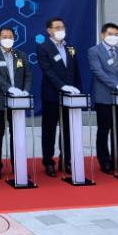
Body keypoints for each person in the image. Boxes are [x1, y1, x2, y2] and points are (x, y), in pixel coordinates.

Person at [36, 17, 82, 177]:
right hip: (52, 95)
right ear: (49, 30)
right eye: (57, 27)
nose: (60, 30)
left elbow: (75, 70)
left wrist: (78, 90)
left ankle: (66, 160)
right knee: (49, 130)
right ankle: (48, 162)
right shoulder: (43, 47)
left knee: (68, 130)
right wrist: (62, 86)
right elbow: (47, 71)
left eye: (62, 27)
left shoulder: (70, 47)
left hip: (71, 96)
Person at [0, 27, 32, 179]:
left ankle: (17, 165)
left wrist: (25, 91)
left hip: (18, 101)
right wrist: (10, 89)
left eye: (10, 36)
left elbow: (28, 76)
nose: (8, 39)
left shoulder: (21, 55)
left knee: (17, 134)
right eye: (4, 36)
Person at [87, 22, 118, 174]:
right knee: (104, 130)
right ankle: (104, 160)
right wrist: (117, 85)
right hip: (104, 97)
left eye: (116, 35)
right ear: (103, 35)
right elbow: (98, 72)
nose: (113, 37)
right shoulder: (94, 51)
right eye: (110, 34)